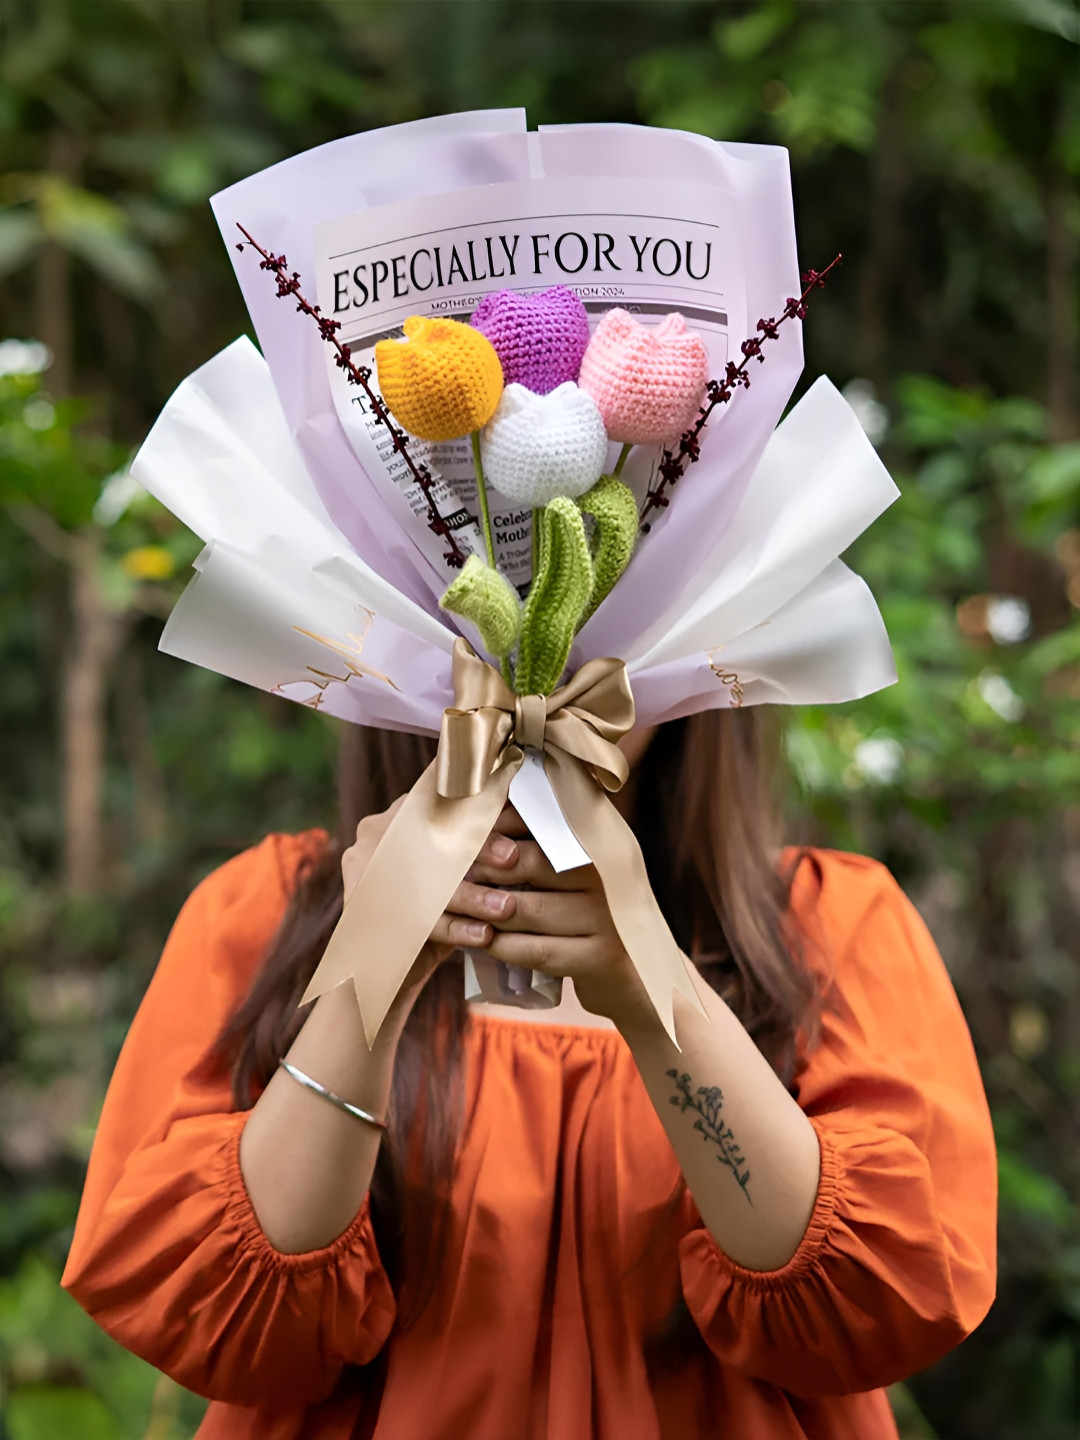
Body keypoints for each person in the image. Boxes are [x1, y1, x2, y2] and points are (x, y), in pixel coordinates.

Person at [63, 710, 996, 1440]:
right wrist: (372, 965)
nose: (536, 690)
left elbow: (872, 1310)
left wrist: (650, 987)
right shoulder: (259, 914)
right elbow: (229, 1321)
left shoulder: (832, 931)